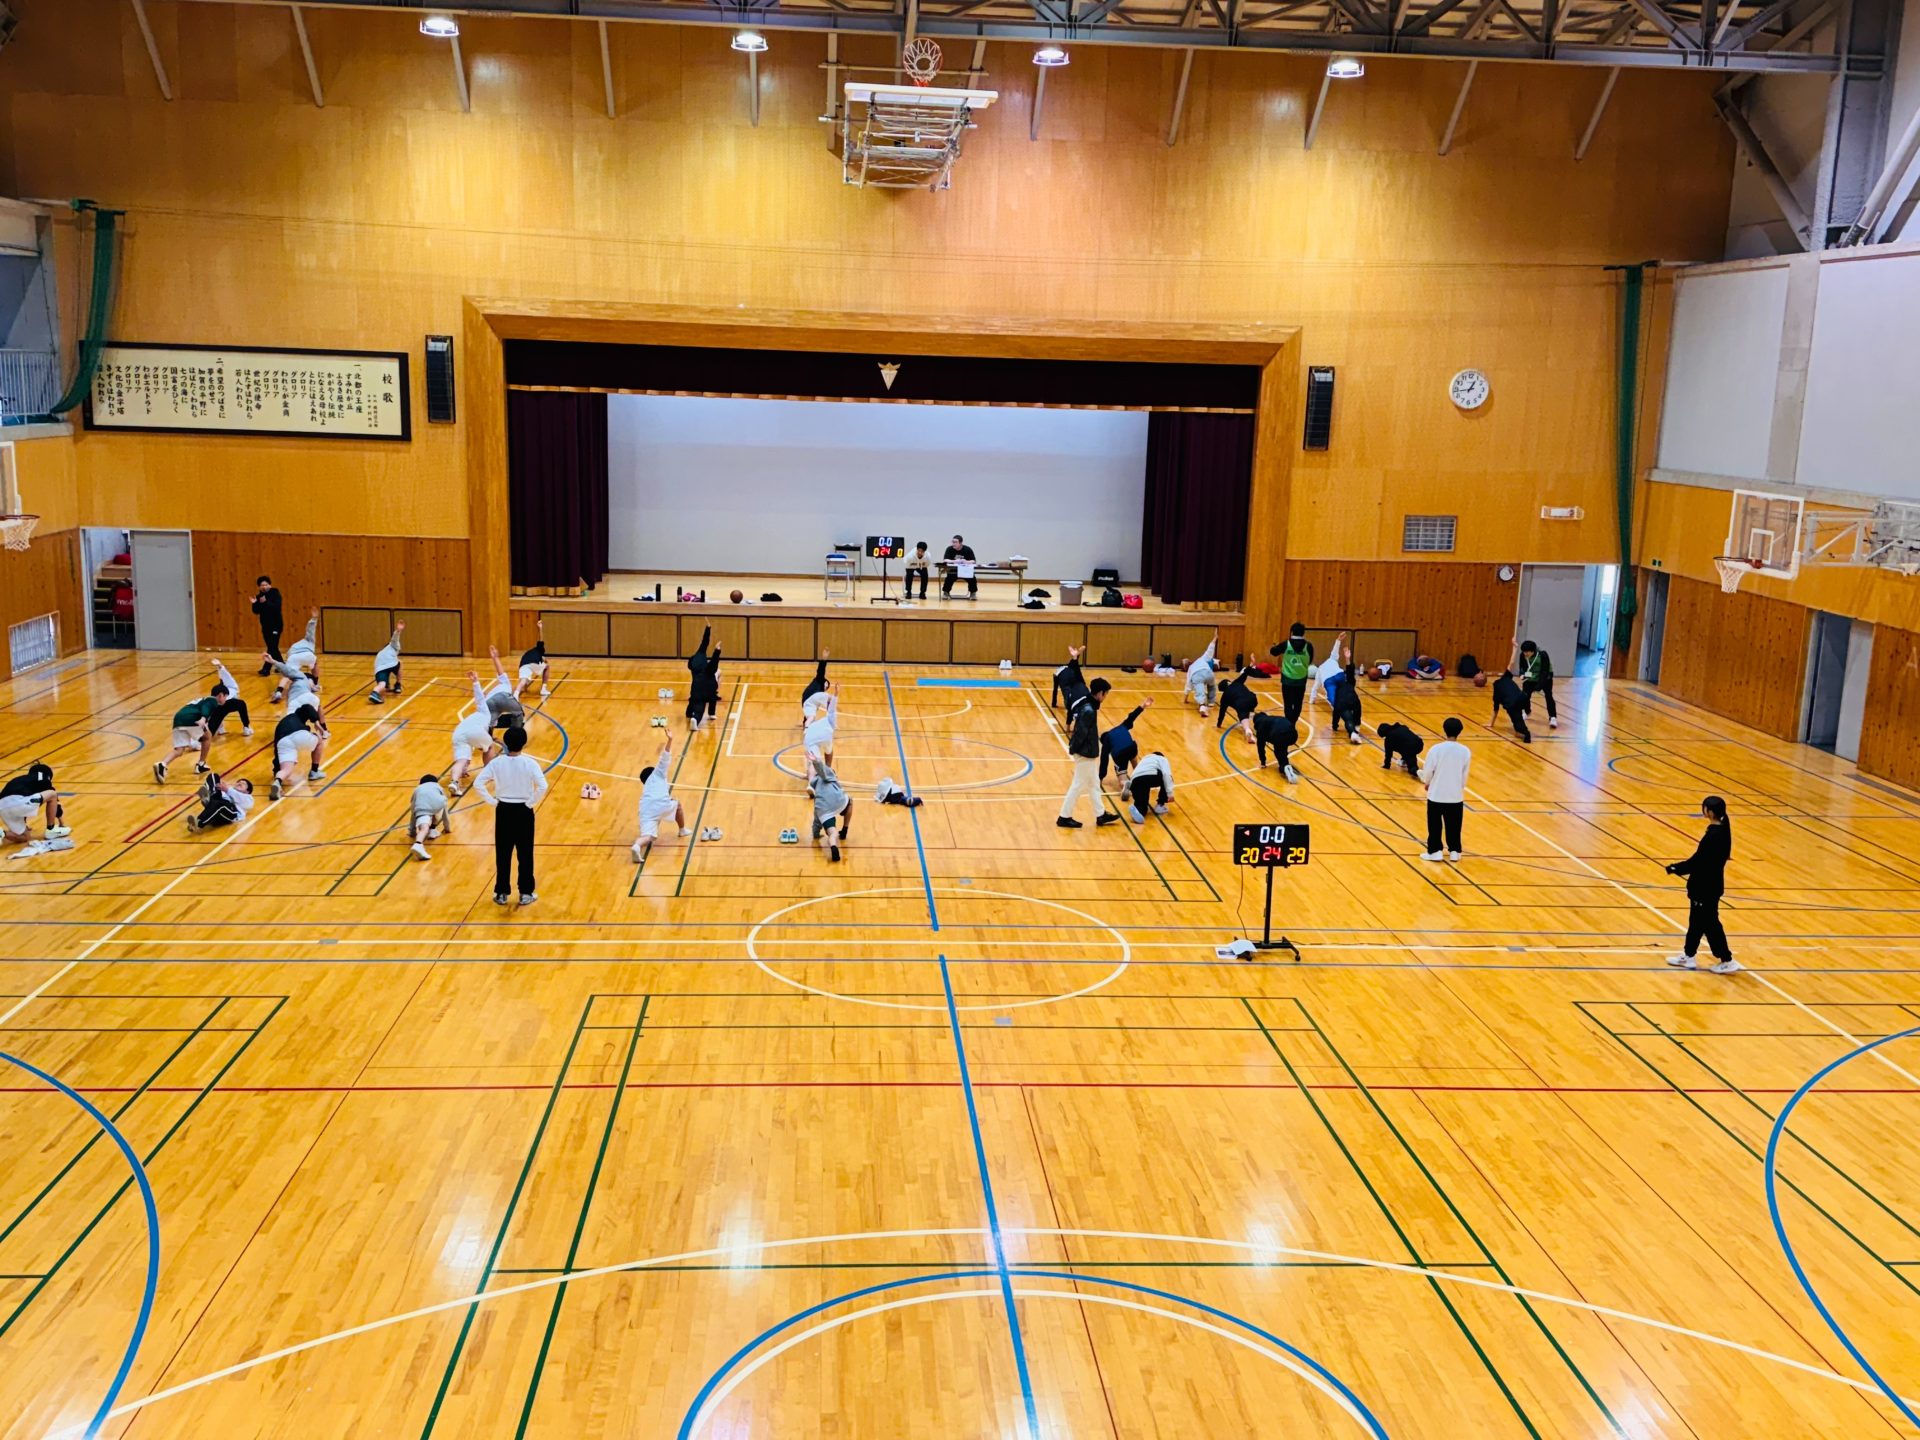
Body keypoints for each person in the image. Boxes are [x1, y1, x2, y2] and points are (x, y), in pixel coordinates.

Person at [474, 723, 547, 906]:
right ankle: (526, 893)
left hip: (504, 810)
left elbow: (478, 783)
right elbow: (543, 786)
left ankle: (501, 893)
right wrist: (530, 803)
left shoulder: (496, 763)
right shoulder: (530, 763)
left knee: (503, 852)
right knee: (525, 852)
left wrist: (493, 802)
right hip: (524, 811)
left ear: (505, 743)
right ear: (524, 743)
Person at [1665, 795, 1739, 974]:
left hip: (1706, 886)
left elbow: (1698, 861)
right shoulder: (1722, 828)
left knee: (1710, 924)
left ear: (1710, 812)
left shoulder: (1715, 836)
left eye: (1704, 807)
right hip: (1709, 885)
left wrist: (1676, 868)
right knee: (1697, 922)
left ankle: (1727, 959)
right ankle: (1689, 955)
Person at [1058, 682, 1119, 829]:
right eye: (1106, 694)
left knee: (1094, 784)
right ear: (1100, 693)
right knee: (1078, 785)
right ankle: (1064, 817)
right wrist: (1074, 749)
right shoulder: (1089, 710)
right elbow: (1081, 732)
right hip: (1085, 753)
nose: (1105, 697)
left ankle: (1100, 814)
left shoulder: (1087, 704)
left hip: (1086, 752)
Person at [1422, 717, 1470, 862]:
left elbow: (1428, 770)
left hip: (1436, 794)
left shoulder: (1436, 749)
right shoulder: (1465, 751)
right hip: (1455, 796)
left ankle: (1435, 851)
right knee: (1454, 825)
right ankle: (1455, 851)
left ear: (1444, 729)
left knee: (1435, 825)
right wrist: (1458, 788)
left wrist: (1427, 782)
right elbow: (1464, 774)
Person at [632, 733, 686, 863]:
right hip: (661, 804)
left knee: (648, 836)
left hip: (645, 808)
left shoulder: (646, 787)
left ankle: (637, 846)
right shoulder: (658, 773)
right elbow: (665, 755)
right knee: (677, 805)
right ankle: (682, 830)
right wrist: (670, 739)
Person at [449, 673, 501, 796]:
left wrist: (475, 681)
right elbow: (479, 697)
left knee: (461, 761)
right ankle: (489, 773)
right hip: (474, 731)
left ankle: (454, 782)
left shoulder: (476, 715)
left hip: (458, 733)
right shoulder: (485, 711)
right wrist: (476, 682)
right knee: (489, 747)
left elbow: (479, 698)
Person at [154, 693, 220, 782]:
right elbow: (206, 707)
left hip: (178, 719)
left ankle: (162, 764)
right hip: (191, 719)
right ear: (221, 695)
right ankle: (201, 765)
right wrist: (204, 718)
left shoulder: (200, 700)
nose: (226, 699)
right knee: (207, 737)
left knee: (179, 750)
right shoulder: (212, 700)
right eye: (226, 696)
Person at [268, 703, 326, 801]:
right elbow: (308, 707)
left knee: (286, 770)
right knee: (319, 741)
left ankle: (277, 782)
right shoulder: (299, 716)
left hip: (283, 741)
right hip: (299, 734)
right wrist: (316, 722)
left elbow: (276, 750)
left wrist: (276, 771)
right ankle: (314, 771)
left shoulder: (283, 722)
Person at [2, 762, 67, 837]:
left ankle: (1, 833)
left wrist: (24, 824)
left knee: (25, 836)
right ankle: (51, 829)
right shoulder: (43, 779)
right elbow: (55, 802)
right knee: (52, 794)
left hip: (3, 807)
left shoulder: (22, 779)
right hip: (20, 803)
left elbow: (21, 800)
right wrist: (61, 823)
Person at [808, 753, 853, 861]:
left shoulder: (817, 792)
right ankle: (845, 829)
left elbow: (816, 819)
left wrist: (816, 833)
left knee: (832, 832)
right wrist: (815, 760)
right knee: (850, 801)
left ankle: (833, 846)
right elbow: (821, 769)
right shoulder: (829, 773)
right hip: (837, 800)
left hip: (823, 808)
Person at [270, 609, 320, 704]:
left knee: (287, 675)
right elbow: (310, 629)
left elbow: (288, 658)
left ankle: (278, 692)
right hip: (307, 655)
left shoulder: (294, 646)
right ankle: (315, 684)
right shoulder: (309, 640)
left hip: (292, 657)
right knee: (315, 662)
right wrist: (314, 619)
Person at [1099, 697, 1151, 789]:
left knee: (1121, 773)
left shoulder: (1106, 739)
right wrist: (1143, 706)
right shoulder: (1122, 726)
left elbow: (1104, 760)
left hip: (1120, 754)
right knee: (1133, 757)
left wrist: (1100, 778)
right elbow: (1132, 717)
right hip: (1132, 748)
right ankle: (1140, 777)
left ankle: (1125, 783)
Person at [1270, 624, 1315, 723]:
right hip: (1301, 679)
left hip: (1287, 679)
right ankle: (1293, 723)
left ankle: (1288, 724)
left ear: (1291, 632)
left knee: (1288, 704)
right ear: (1303, 633)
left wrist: (1274, 647)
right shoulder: (1309, 646)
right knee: (1298, 703)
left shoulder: (1286, 644)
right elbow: (1310, 660)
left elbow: (1273, 652)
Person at [1243, 710, 1300, 782]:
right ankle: (1285, 764)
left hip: (1280, 734)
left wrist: (1263, 762)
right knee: (1282, 747)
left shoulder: (1260, 726)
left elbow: (1260, 746)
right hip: (1293, 734)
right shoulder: (1271, 719)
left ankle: (1285, 768)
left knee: (1278, 750)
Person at [187, 772, 254, 832]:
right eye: (238, 782)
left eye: (243, 783)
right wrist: (218, 788)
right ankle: (210, 797)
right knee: (214, 776)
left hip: (231, 813)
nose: (240, 783)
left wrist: (227, 790)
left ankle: (198, 823)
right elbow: (221, 795)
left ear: (247, 791)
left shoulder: (249, 798)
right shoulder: (228, 789)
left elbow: (240, 799)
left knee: (221, 804)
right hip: (216, 807)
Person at [1513, 638, 1557, 729]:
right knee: (1524, 695)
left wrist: (1539, 685)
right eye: (1524, 652)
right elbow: (1522, 668)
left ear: (1533, 651)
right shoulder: (1523, 655)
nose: (1525, 654)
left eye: (1527, 652)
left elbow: (1544, 671)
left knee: (1549, 696)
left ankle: (1553, 717)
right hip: (1532, 676)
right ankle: (1527, 711)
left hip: (1545, 677)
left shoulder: (1543, 655)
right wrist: (1523, 675)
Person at [480, 648, 526, 734]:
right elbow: (501, 673)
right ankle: (515, 735)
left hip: (488, 704)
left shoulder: (501, 687)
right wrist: (495, 658)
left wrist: (495, 658)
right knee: (520, 714)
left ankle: (488, 738)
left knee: (490, 723)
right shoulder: (507, 686)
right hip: (503, 697)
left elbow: (500, 672)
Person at [686, 624, 722, 731]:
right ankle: (711, 713)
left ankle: (693, 716)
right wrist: (717, 650)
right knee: (713, 696)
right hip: (709, 687)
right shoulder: (702, 657)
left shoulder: (694, 670)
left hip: (696, 687)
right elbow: (705, 641)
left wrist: (708, 628)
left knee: (698, 705)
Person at [408, 773, 450, 861]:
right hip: (438, 806)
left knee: (424, 828)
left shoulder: (417, 789)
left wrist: (412, 830)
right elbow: (445, 810)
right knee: (439, 807)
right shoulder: (439, 787)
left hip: (422, 809)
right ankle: (430, 832)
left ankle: (419, 842)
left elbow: (413, 809)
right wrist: (447, 828)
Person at [207, 658, 252, 737]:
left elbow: (223, 672)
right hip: (228, 704)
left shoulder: (222, 686)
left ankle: (219, 729)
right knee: (242, 704)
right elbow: (224, 673)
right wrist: (219, 665)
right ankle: (246, 727)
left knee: (211, 728)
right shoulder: (228, 685)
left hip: (220, 705)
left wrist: (219, 665)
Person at [1126, 749, 1173, 823]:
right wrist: (1169, 794)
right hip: (1150, 776)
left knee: (1142, 804)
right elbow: (1166, 775)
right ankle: (1160, 805)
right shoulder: (1162, 759)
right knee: (1168, 779)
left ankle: (1138, 811)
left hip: (1134, 780)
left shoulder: (1144, 760)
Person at [250, 575, 284, 674]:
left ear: (270, 585)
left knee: (271, 647)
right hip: (265, 626)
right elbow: (256, 611)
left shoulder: (275, 593)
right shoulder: (259, 597)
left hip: (276, 625)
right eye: (262, 585)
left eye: (266, 585)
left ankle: (266, 669)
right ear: (259, 587)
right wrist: (254, 603)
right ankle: (282, 666)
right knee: (273, 647)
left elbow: (276, 607)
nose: (264, 587)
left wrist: (265, 602)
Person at [368, 620, 406, 705]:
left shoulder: (380, 654)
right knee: (400, 663)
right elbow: (395, 638)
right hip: (391, 663)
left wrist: (387, 685)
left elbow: (385, 669)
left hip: (379, 668)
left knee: (382, 684)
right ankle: (398, 685)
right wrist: (398, 630)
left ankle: (374, 693)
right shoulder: (393, 645)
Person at [1489, 669, 1532, 743]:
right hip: (1524, 698)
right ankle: (1527, 711)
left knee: (1518, 725)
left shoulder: (1496, 690)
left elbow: (1496, 709)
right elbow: (1510, 666)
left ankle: (1525, 733)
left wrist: (1491, 724)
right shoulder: (1506, 678)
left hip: (1512, 704)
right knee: (1522, 711)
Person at [1216, 662, 1262, 731]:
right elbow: (1245, 673)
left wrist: (1219, 724)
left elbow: (1222, 712)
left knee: (1242, 712)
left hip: (1241, 703)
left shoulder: (1224, 697)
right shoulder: (1237, 682)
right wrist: (1250, 665)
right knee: (1246, 706)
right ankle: (1253, 715)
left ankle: (1247, 729)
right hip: (1253, 699)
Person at [1327, 661, 1364, 744]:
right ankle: (1357, 726)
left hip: (1342, 702)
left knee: (1348, 720)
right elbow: (1350, 671)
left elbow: (1336, 712)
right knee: (1357, 708)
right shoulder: (1351, 681)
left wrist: (1334, 725)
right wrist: (1347, 660)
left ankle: (1353, 733)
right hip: (1353, 700)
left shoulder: (1336, 688)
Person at [1185, 632, 1219, 718]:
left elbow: (1188, 686)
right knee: (1212, 686)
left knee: (1200, 692)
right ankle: (1211, 702)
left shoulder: (1190, 669)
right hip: (1208, 673)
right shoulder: (1201, 659)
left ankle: (1202, 705)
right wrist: (1214, 639)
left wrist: (1185, 698)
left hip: (1197, 675)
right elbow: (1209, 651)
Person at [516, 621, 551, 701]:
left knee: (523, 680)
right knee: (547, 667)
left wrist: (525, 687)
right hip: (533, 663)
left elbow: (543, 659)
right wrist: (540, 627)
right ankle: (543, 689)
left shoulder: (529, 653)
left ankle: (516, 693)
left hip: (523, 665)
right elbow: (540, 639)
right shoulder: (540, 649)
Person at [1314, 632, 1351, 707]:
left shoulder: (1319, 669)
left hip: (1329, 680)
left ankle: (1339, 706)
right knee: (1346, 690)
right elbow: (1335, 650)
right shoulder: (1332, 658)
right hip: (1339, 675)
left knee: (1332, 698)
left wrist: (1312, 700)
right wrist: (1338, 640)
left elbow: (1315, 687)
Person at [940, 535, 978, 600]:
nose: (953, 544)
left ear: (960, 543)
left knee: (972, 578)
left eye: (955, 542)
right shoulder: (949, 549)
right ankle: (946, 592)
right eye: (952, 542)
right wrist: (954, 561)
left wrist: (966, 561)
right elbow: (945, 560)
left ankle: (973, 593)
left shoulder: (967, 549)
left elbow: (973, 561)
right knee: (949, 578)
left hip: (965, 570)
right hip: (954, 570)